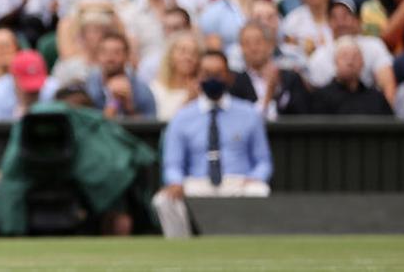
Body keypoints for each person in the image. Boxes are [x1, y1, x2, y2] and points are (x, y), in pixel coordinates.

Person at [151, 49, 272, 238]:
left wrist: (256, 177)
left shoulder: (249, 114)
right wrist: (175, 182)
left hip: (237, 182)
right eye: (207, 74)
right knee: (164, 200)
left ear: (229, 77)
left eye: (218, 74)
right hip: (197, 182)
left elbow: (263, 161)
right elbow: (173, 164)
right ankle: (180, 251)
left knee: (259, 191)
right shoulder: (182, 117)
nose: (213, 79)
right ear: (198, 77)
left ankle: (248, 248)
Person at [230, 22, 311, 120]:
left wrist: (279, 91)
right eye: (246, 43)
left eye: (258, 42)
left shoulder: (291, 78)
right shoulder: (234, 83)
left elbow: (304, 115)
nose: (253, 48)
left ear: (270, 45)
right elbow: (241, 120)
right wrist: (269, 94)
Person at [85, 30, 157, 119]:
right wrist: (113, 104)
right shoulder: (87, 88)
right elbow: (85, 128)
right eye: (104, 52)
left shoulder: (142, 89)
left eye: (116, 52)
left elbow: (151, 128)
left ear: (127, 56)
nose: (110, 58)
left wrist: (129, 107)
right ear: (97, 56)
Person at [311, 41, 396, 115]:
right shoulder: (321, 97)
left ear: (363, 63)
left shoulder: (376, 98)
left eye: (355, 57)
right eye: (344, 56)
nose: (350, 61)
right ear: (335, 62)